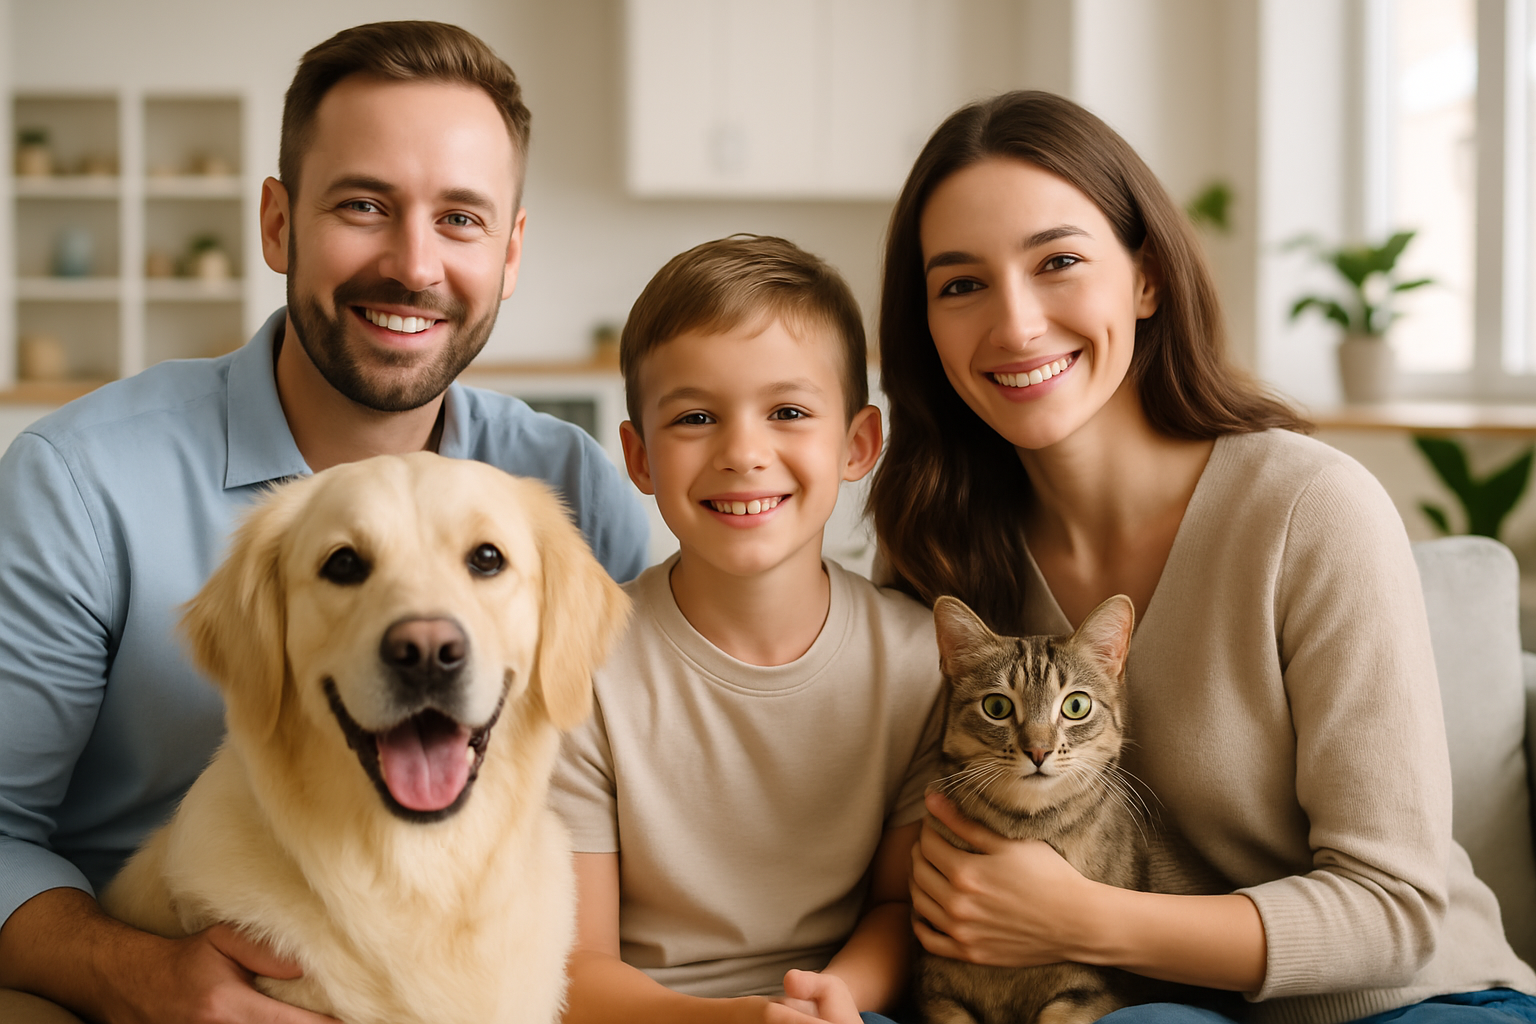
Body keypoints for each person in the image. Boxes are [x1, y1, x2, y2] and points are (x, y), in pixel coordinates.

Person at [0, 21, 647, 1024]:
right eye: (362, 205)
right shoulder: (78, 480)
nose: (413, 264)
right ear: (277, 222)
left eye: (462, 219)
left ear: (510, 251)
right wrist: (136, 976)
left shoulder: (571, 489)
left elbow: (677, 769)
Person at [867, 89, 1536, 1024]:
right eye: (961, 284)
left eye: (1058, 261)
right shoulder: (942, 549)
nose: (1014, 325)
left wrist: (1084, 920)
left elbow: (1398, 911)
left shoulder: (1310, 508)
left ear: (1145, 279)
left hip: (1409, 1003)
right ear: (927, 329)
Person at [552, 234, 942, 1024]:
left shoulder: (920, 661)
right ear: (639, 458)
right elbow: (573, 965)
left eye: (789, 412)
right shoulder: (582, 667)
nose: (743, 453)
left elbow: (900, 911)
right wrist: (729, 1022)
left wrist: (838, 1000)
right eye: (696, 417)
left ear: (858, 444)